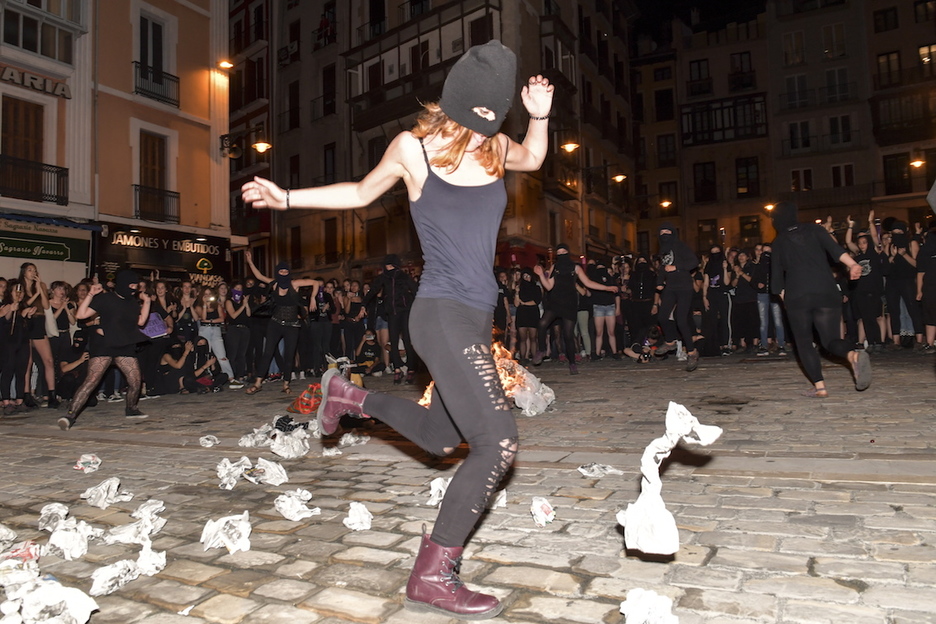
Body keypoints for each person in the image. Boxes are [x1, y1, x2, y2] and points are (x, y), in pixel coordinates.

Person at [242, 40, 552, 620]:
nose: (486, 135)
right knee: (498, 443)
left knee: (440, 438)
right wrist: (284, 197)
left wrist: (538, 117)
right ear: (456, 106)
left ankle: (348, 395)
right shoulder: (414, 148)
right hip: (439, 313)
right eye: (477, 122)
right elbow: (361, 192)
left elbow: (533, 158)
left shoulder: (494, 146)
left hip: (476, 313)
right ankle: (433, 575)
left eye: (495, 123)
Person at [770, 201, 871, 397]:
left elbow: (775, 280)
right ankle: (853, 355)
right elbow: (835, 250)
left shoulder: (780, 241)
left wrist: (785, 298)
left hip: (797, 295)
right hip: (825, 290)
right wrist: (853, 265)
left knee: (804, 342)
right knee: (831, 340)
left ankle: (820, 387)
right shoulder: (814, 229)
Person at [58, 271, 151, 430]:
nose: (134, 289)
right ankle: (70, 416)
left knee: (135, 381)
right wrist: (90, 295)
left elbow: (141, 322)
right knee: (91, 380)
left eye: (136, 286)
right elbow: (80, 315)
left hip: (124, 345)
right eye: (132, 285)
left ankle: (131, 409)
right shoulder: (105, 298)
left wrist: (147, 302)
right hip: (105, 345)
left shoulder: (132, 302)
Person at [532, 245, 617, 374]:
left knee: (568, 335)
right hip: (555, 302)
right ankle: (542, 350)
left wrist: (606, 288)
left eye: (564, 252)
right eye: (559, 252)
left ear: (568, 253)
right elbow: (549, 287)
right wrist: (541, 276)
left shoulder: (575, 267)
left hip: (569, 304)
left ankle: (572, 363)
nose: (561, 254)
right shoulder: (555, 267)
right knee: (542, 323)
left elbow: (588, 283)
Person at [243, 253, 320, 395]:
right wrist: (250, 261)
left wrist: (313, 298)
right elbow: (259, 276)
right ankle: (258, 383)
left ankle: (286, 384)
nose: (284, 273)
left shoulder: (294, 284)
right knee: (268, 352)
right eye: (281, 271)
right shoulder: (274, 284)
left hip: (292, 325)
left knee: (289, 355)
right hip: (276, 322)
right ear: (277, 272)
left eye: (286, 271)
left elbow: (315, 283)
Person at [362, 255, 419, 384]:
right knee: (394, 341)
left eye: (388, 266)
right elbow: (373, 290)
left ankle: (410, 369)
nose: (387, 268)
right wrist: (363, 303)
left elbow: (415, 290)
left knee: (406, 340)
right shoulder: (384, 277)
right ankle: (398, 369)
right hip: (393, 313)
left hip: (405, 311)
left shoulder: (403, 277)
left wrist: (417, 308)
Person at [655, 223, 701, 371]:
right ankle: (670, 341)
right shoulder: (663, 249)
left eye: (667, 231)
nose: (664, 234)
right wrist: (659, 282)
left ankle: (692, 352)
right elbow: (663, 267)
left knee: (681, 320)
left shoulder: (681, 246)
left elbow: (694, 262)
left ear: (673, 233)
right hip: (670, 287)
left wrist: (677, 267)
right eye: (662, 232)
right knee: (662, 317)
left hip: (685, 287)